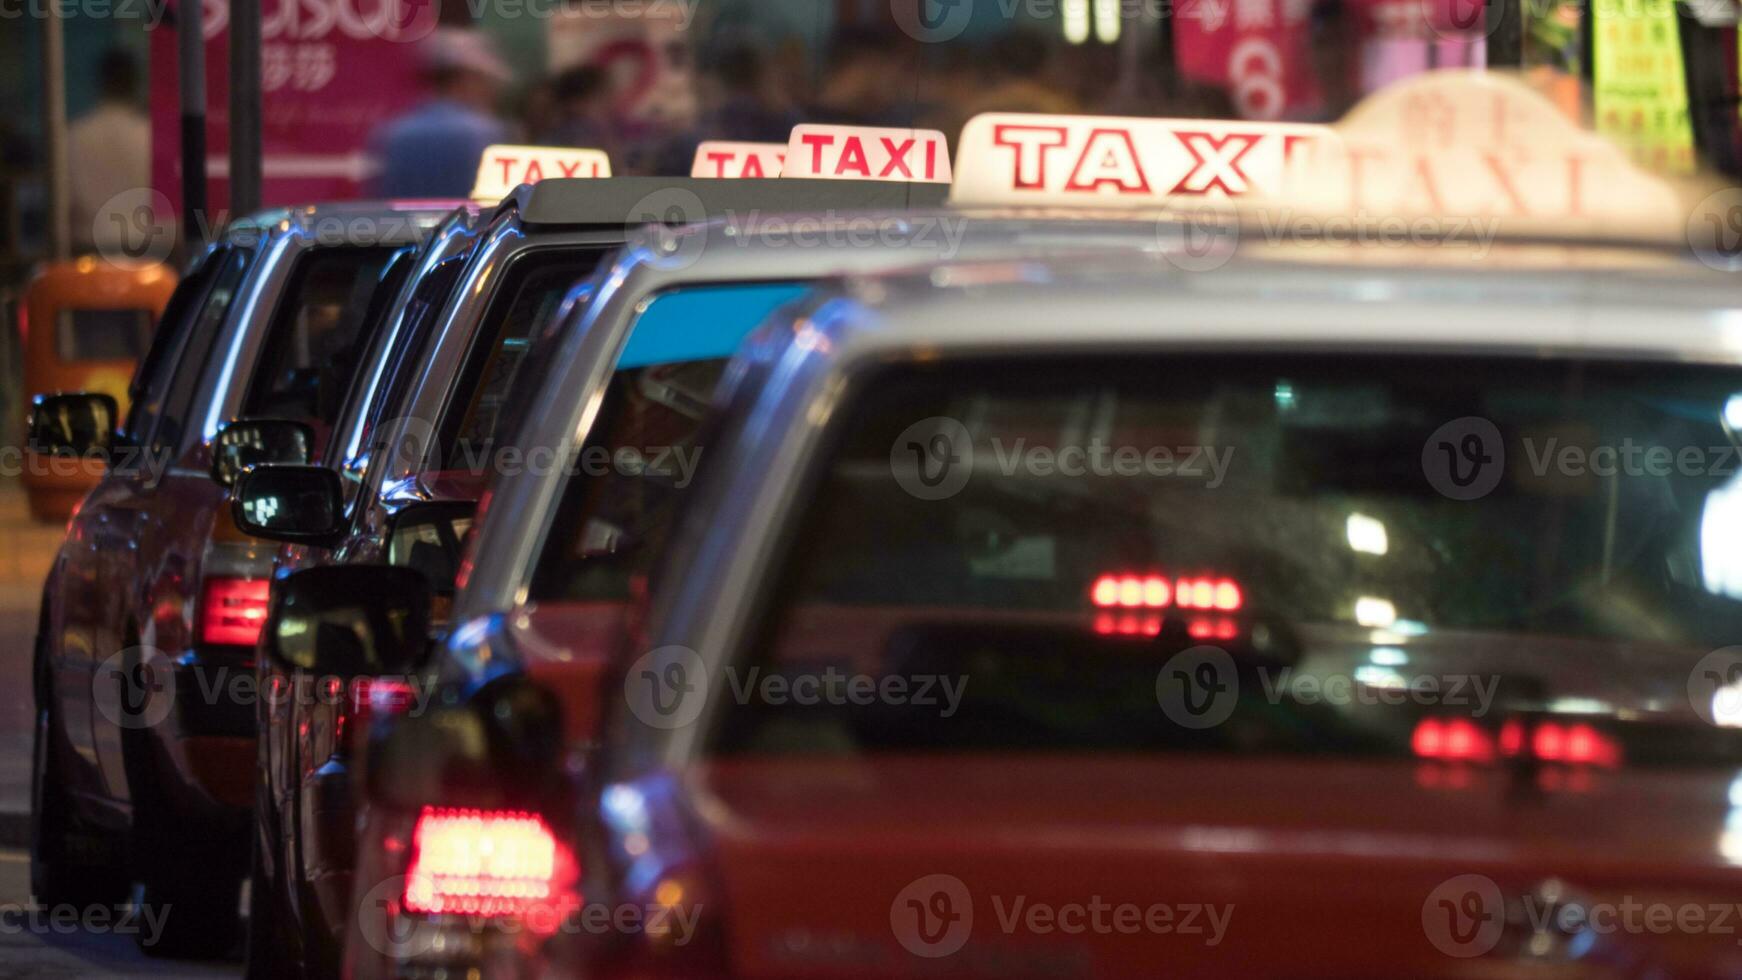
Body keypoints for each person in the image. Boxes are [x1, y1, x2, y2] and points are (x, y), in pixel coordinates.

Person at [368, 28, 511, 199]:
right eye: (485, 81)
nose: (491, 92)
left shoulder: (392, 134)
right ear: (464, 79)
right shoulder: (487, 135)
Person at [68, 48, 153, 256]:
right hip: (148, 253)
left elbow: (64, 204)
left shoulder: (75, 135)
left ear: (102, 82)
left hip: (89, 253)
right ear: (135, 83)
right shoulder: (151, 135)